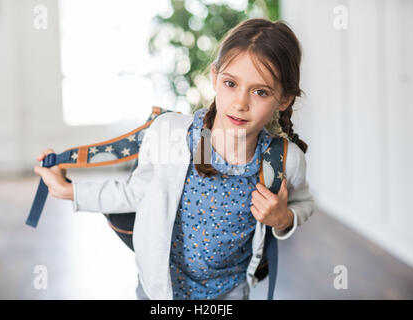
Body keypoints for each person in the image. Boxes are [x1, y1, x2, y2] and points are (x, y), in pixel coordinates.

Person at [34, 18, 315, 300]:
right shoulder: (172, 136)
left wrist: (283, 218)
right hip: (161, 290)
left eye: (260, 92)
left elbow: (303, 203)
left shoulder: (285, 160)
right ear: (215, 77)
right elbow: (135, 193)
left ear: (284, 100)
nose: (241, 103)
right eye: (231, 83)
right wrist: (70, 190)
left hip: (229, 292)